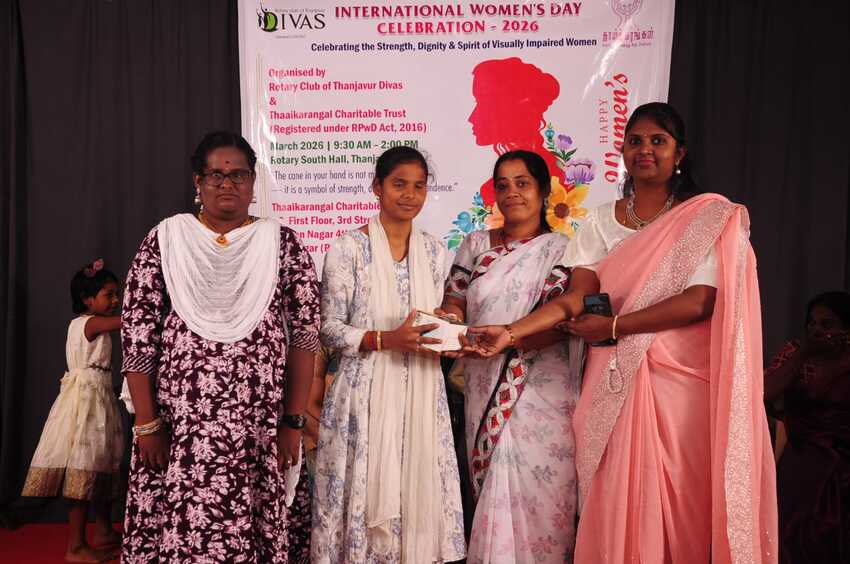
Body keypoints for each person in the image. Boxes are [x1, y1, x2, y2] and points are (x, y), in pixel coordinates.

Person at [469, 103, 778, 563]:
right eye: (635, 140)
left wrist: (615, 325)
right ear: (623, 150)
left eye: (658, 141)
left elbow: (700, 300)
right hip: (612, 380)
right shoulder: (599, 221)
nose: (645, 150)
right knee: (613, 494)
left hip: (680, 387)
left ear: (680, 154)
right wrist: (511, 333)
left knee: (678, 497)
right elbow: (576, 297)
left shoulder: (704, 217)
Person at [120, 131, 320, 562]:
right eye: (216, 174)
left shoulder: (282, 243)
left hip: (258, 427)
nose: (227, 183)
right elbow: (137, 336)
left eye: (238, 174)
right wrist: (148, 424)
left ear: (253, 183)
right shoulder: (166, 239)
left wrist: (294, 420)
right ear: (198, 181)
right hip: (182, 430)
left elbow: (305, 335)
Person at [311, 146, 466, 563]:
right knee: (361, 501)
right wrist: (385, 339)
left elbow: (431, 319)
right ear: (377, 187)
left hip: (419, 395)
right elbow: (328, 329)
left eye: (419, 186)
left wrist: (446, 321)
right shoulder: (348, 249)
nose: (410, 195)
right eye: (399, 184)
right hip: (362, 397)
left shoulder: (434, 252)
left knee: (415, 495)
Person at [439, 150, 582, 562]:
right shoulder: (476, 244)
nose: (512, 193)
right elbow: (456, 301)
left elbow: (564, 322)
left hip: (544, 394)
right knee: (493, 491)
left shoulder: (563, 250)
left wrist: (512, 341)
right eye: (503, 185)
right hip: (485, 385)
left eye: (522, 183)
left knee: (544, 493)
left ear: (543, 189)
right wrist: (447, 320)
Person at [21, 260, 123, 563]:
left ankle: (103, 530)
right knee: (83, 467)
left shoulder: (91, 321)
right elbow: (123, 322)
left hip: (99, 397)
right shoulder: (89, 323)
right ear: (87, 300)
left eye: (116, 294)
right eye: (109, 294)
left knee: (101, 464)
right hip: (86, 404)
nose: (115, 300)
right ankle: (75, 545)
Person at [765, 291, 850, 563]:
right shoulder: (794, 354)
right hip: (802, 451)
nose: (816, 330)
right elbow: (765, 394)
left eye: (827, 325)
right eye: (811, 323)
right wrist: (803, 354)